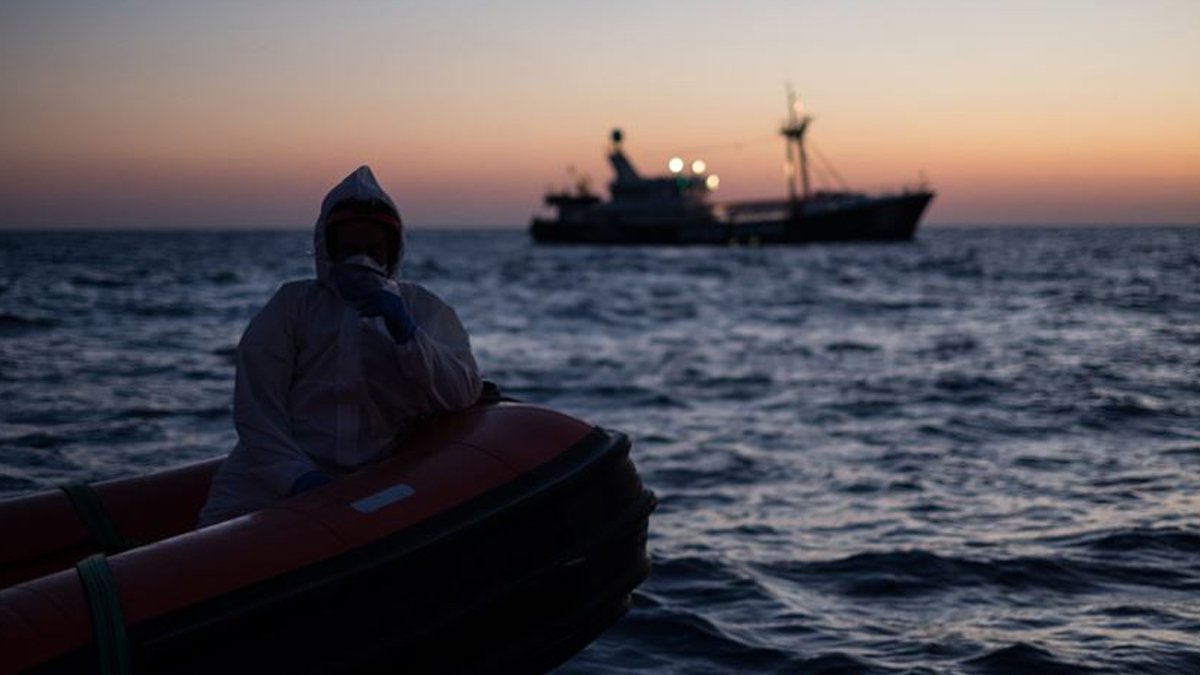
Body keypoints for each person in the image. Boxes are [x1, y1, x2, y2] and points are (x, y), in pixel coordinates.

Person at [197, 166, 483, 526]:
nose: (360, 260)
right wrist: (298, 477)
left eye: (371, 249)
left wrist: (408, 336)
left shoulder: (423, 309)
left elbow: (461, 393)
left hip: (372, 481)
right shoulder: (292, 306)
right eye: (349, 249)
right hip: (268, 479)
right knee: (217, 548)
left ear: (391, 252)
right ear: (327, 249)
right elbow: (257, 411)